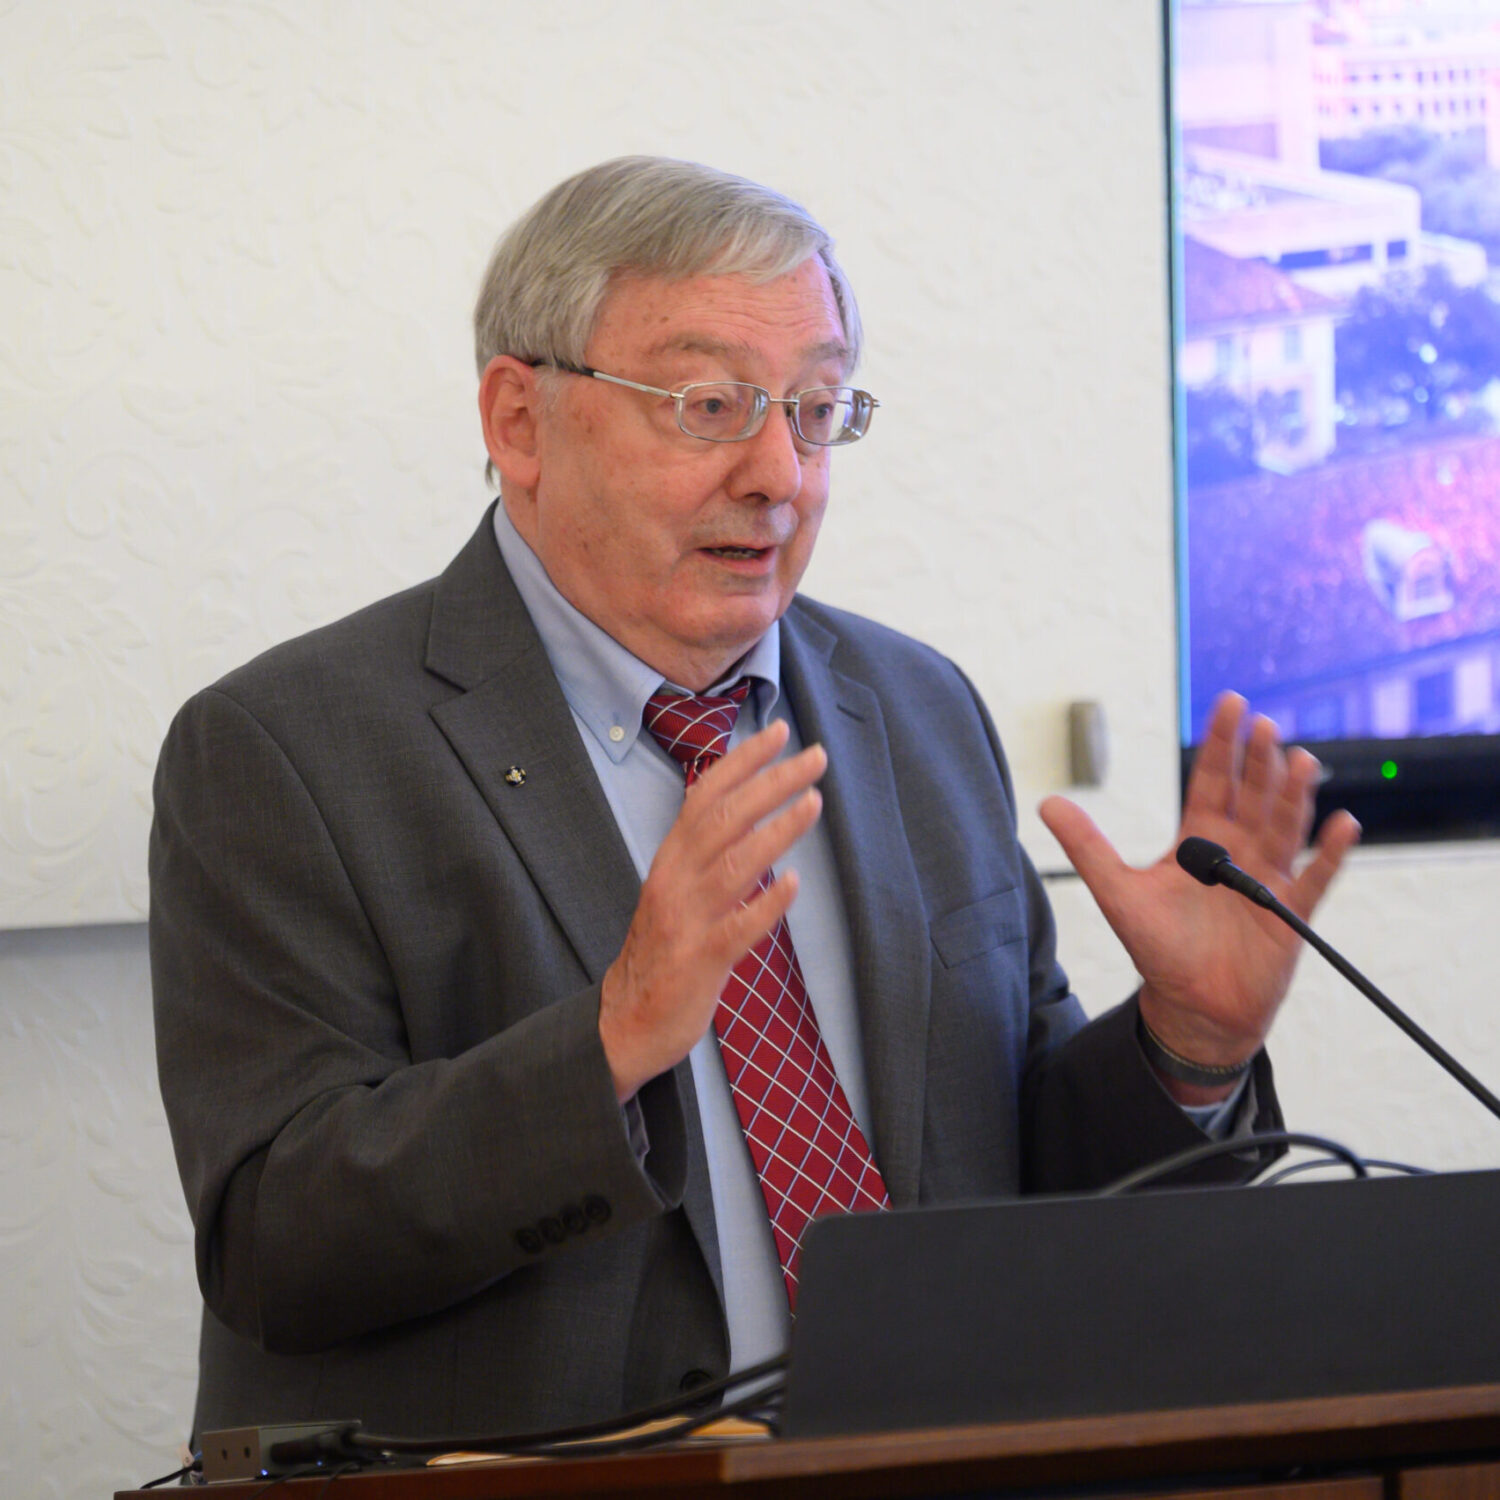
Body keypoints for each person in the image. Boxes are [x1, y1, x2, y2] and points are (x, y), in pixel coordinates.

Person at [149, 156, 1359, 1441]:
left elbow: (1019, 1186)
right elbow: (275, 1244)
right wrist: (611, 1042)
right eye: (711, 403)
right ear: (518, 421)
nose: (781, 472)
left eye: (818, 406)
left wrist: (1188, 1047)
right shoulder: (286, 747)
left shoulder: (916, 708)